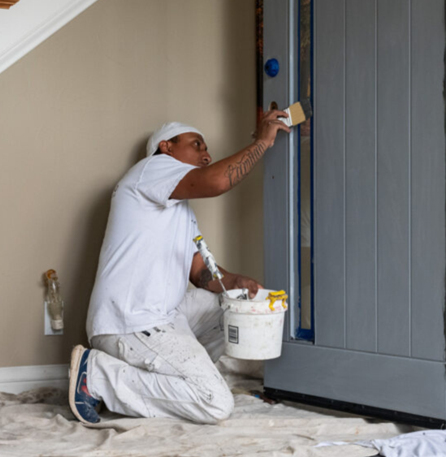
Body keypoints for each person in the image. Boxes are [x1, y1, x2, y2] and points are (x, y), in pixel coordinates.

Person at [68, 109, 292, 425]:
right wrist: (263, 142)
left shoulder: (178, 209)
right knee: (216, 405)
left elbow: (200, 273)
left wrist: (238, 282)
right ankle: (98, 375)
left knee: (231, 305)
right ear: (166, 146)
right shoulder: (151, 170)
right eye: (197, 144)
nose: (206, 154)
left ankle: (176, 379)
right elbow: (216, 180)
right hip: (130, 322)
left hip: (165, 316)